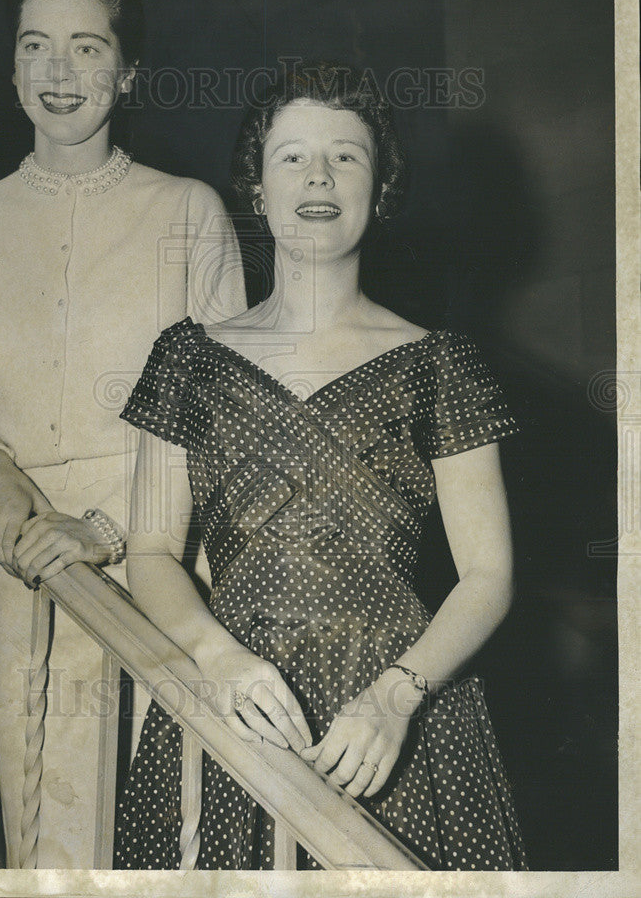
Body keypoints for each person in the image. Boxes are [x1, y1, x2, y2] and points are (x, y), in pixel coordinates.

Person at [106, 63, 527, 869]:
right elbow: (150, 552)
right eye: (292, 156)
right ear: (256, 189)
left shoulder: (440, 364)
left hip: (396, 715)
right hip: (236, 700)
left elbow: (487, 575)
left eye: (347, 156)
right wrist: (214, 654)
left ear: (381, 188)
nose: (320, 177)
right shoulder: (187, 359)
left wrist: (396, 699)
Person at [0, 0, 246, 868]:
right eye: (36, 47)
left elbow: (221, 418)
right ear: (11, 65)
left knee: (157, 835)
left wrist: (107, 528)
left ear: (128, 70)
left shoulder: (189, 214)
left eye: (87, 48)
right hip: (17, 556)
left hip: (153, 556)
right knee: (43, 838)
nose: (59, 75)